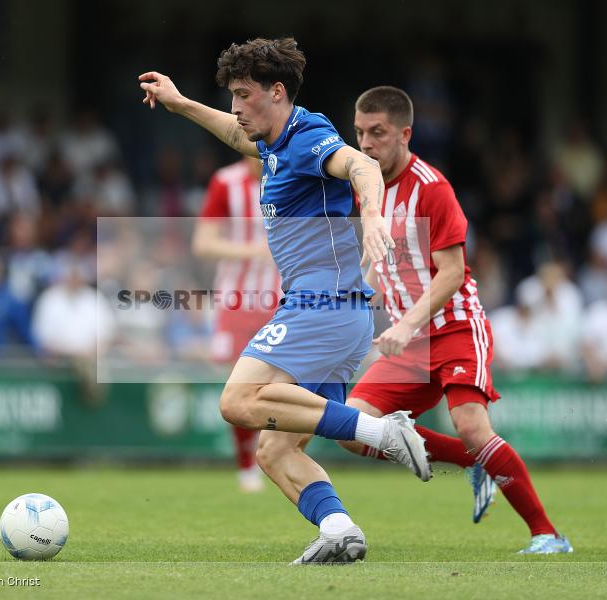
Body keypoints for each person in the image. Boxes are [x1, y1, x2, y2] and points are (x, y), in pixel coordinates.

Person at [139, 37, 429, 564]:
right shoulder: (274, 140)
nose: (235, 107)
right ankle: (339, 529)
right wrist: (181, 104)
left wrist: (370, 215)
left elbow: (361, 167)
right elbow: (233, 133)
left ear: (277, 92)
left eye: (243, 95)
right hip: (333, 310)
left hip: (324, 304)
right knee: (275, 450)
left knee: (237, 402)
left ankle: (383, 431)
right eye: (230, 94)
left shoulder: (309, 135)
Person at [337, 86, 572, 554]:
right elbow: (379, 261)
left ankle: (548, 535)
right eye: (360, 132)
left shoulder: (432, 187)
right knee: (351, 429)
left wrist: (404, 326)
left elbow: (453, 272)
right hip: (409, 342)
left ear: (405, 134)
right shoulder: (364, 186)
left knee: (471, 425)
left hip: (455, 328)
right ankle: (476, 463)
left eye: (377, 133)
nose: (365, 144)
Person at [192, 155, 279, 493]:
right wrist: (253, 251)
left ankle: (275, 454)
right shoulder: (226, 182)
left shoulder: (292, 177)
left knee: (281, 385)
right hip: (236, 300)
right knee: (236, 387)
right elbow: (203, 243)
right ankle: (247, 465)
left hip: (280, 299)